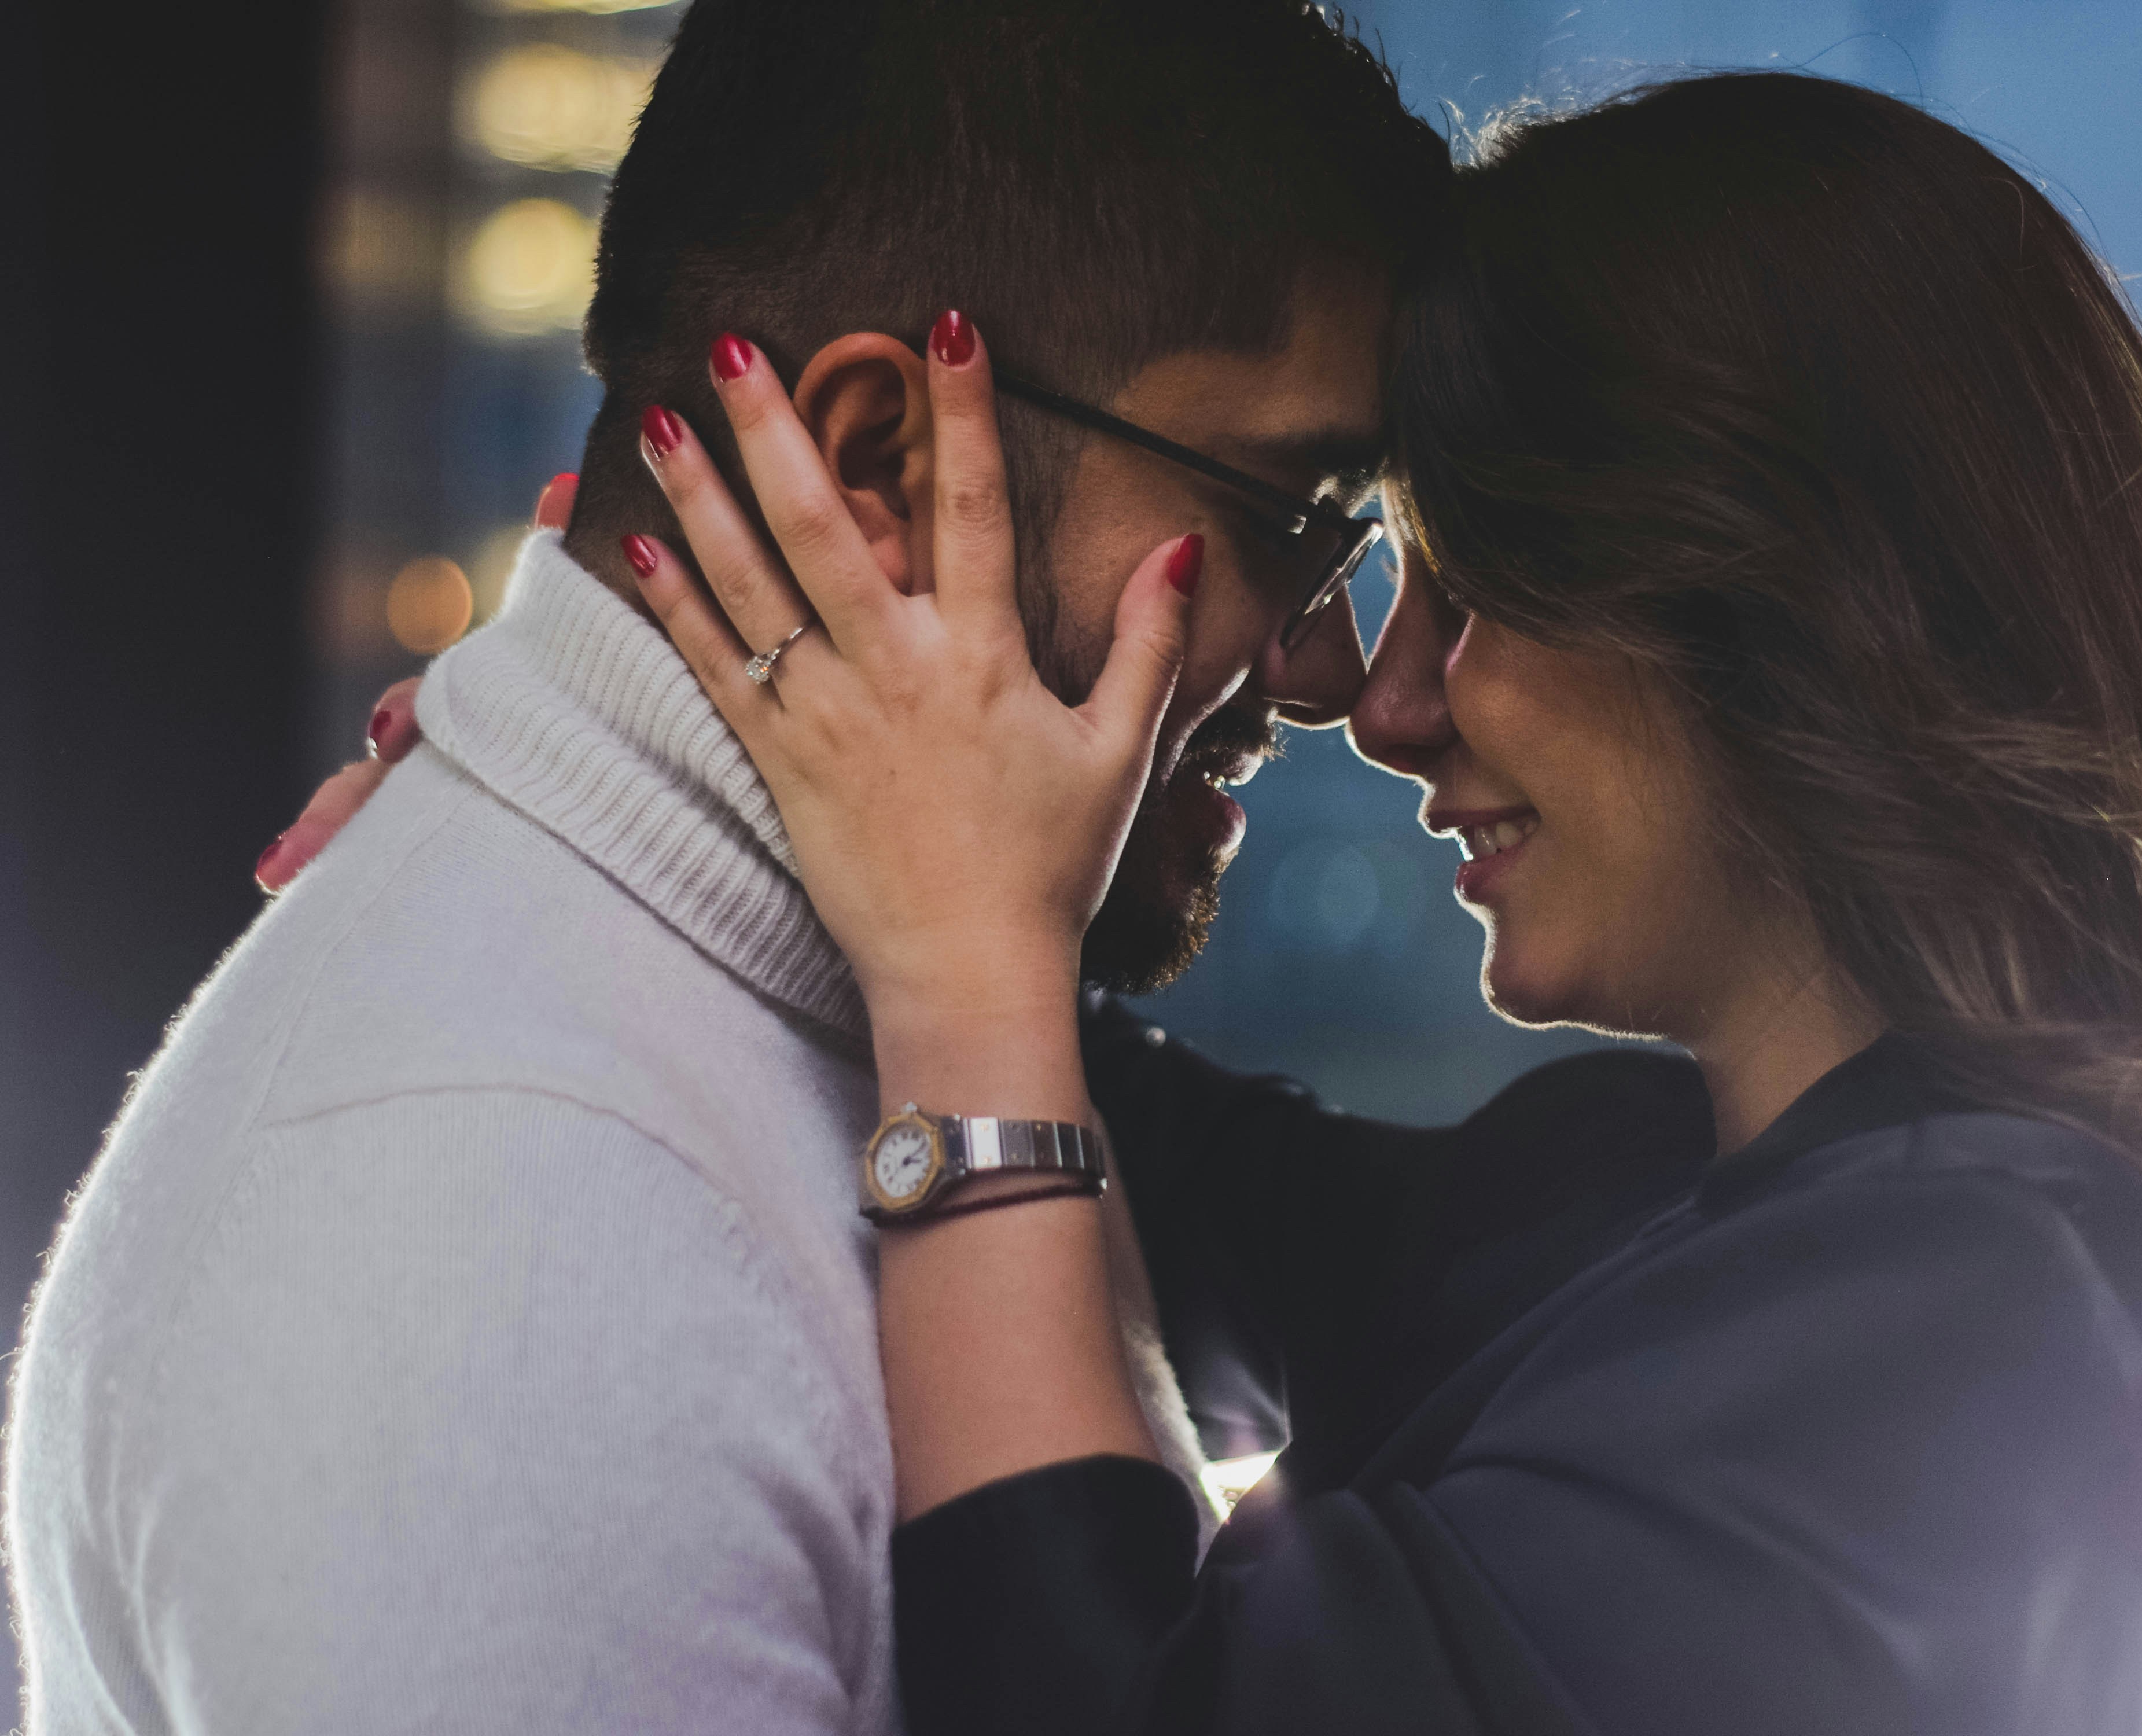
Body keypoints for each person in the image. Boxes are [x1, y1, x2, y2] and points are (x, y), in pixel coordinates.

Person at [571, 70, 2142, 1736]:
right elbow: (1156, 1168)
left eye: (1478, 581)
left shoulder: (1965, 1331)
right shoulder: (1720, 1195)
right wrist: (619, 763)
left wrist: (957, 965)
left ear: (1780, 610)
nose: (1390, 697)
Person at [3, 2, 1450, 1730]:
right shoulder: (495, 1309)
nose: (1337, 669)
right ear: (874, 464)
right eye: (1292, 511)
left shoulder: (822, 1021)